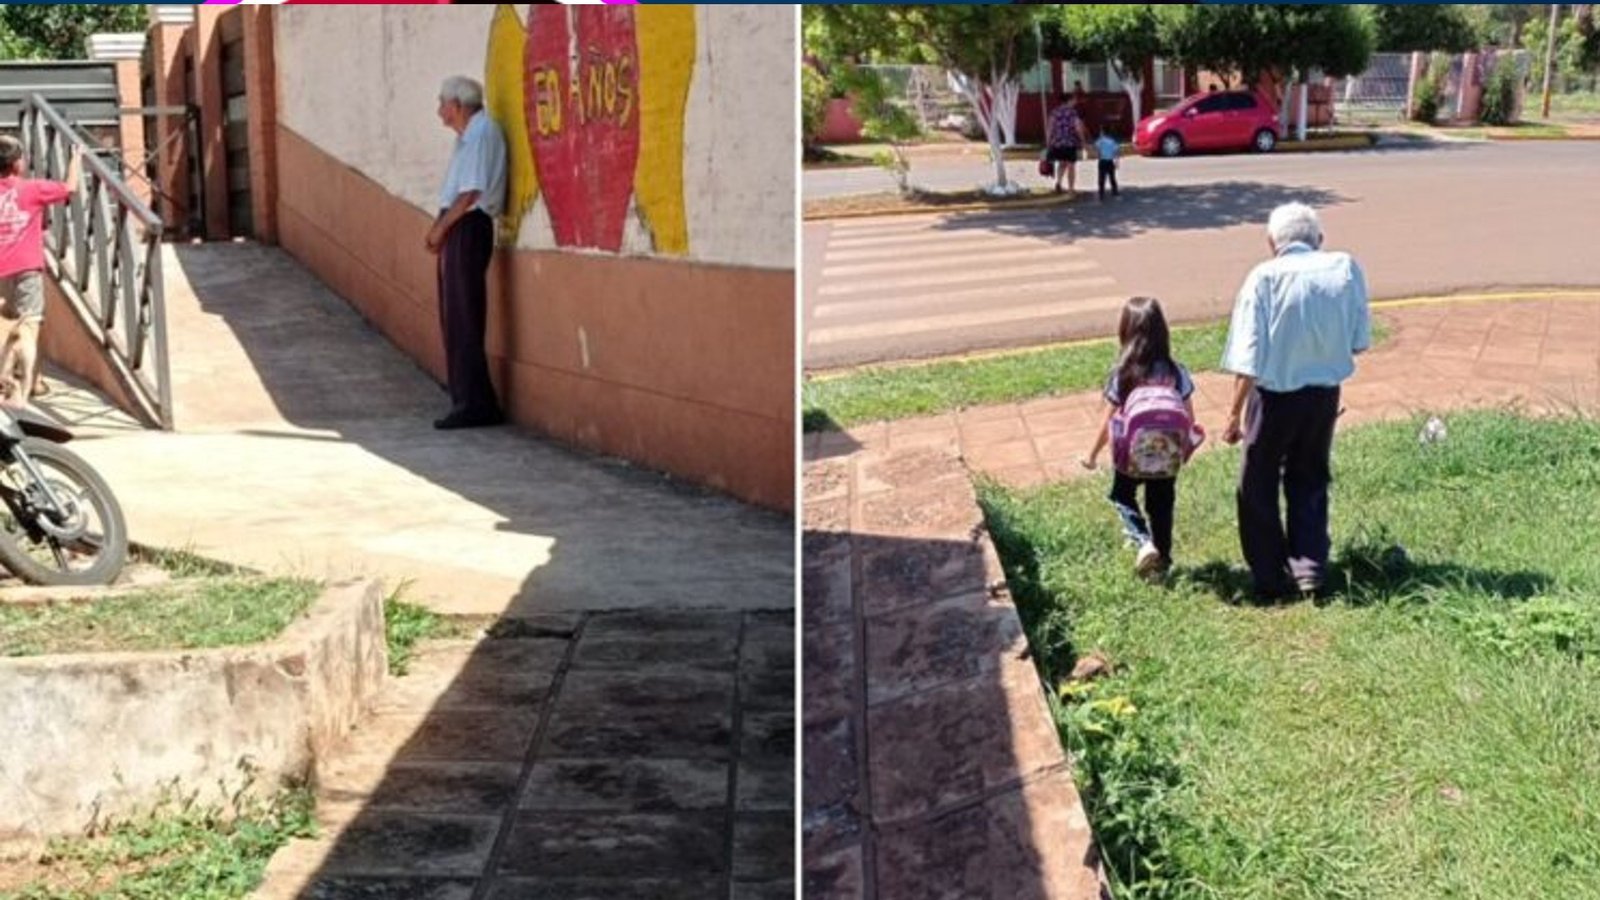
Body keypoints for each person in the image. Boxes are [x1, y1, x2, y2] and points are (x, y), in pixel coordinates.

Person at [1220, 202, 1371, 599]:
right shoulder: (1345, 268)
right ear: (1318, 240)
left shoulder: (1263, 278)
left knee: (1257, 483)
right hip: (1323, 395)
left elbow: (1248, 357)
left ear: (1272, 243)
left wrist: (1233, 414)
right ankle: (1309, 568)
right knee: (1310, 475)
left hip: (1273, 398)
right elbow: (1359, 341)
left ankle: (1270, 575)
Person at [1082, 296, 1198, 578]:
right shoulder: (1176, 371)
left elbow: (1108, 420)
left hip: (1129, 455)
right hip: (1167, 453)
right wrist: (1185, 448)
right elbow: (1189, 418)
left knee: (1122, 495)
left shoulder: (1123, 374)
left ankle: (1142, 540)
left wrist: (1092, 454)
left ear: (1125, 331)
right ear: (1162, 331)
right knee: (1162, 504)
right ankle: (1164, 560)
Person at [428, 75, 508, 430]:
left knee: (464, 314)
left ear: (458, 105)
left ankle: (475, 402)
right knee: (455, 314)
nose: (440, 112)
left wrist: (441, 228)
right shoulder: (467, 138)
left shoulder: (481, 133)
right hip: (459, 227)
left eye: (443, 103)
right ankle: (466, 397)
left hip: (469, 226)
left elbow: (471, 193)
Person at [0, 135, 79, 407]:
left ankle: (16, 379)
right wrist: (77, 158)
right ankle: (24, 388)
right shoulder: (32, 189)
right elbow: (70, 188)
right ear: (17, 164)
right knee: (29, 326)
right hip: (25, 268)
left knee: (4, 327)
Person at [1046, 95, 1089, 195]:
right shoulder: (1072, 113)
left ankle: (1058, 183)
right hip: (1070, 142)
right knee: (1071, 166)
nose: (1075, 102)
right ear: (1069, 101)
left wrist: (1048, 142)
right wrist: (1083, 141)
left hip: (1057, 142)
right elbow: (1078, 127)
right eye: (1073, 100)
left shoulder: (1054, 112)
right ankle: (1071, 189)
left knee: (1061, 163)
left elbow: (1050, 127)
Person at [1094, 128, 1120, 202]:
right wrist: (1117, 161)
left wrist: (1098, 156)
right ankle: (1115, 191)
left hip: (1102, 161)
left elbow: (1097, 150)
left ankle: (1101, 193)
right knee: (1112, 177)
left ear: (1102, 133)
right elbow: (1116, 151)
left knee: (1101, 178)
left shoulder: (1100, 141)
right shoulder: (1112, 141)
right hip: (1110, 161)